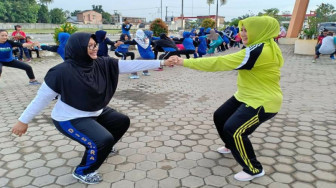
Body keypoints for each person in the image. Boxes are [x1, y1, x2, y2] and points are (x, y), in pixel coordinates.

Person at [11, 32, 174, 185]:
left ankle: (104, 150)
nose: (95, 48)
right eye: (90, 46)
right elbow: (40, 99)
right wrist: (23, 121)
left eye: (95, 45)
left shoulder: (102, 63)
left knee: (121, 121)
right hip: (69, 118)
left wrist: (162, 62)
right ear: (78, 48)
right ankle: (83, 171)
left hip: (95, 111)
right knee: (102, 140)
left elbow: (131, 64)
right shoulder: (61, 72)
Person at [172, 16, 283, 181]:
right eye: (242, 29)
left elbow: (219, 62)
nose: (242, 34)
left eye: (247, 30)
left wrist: (184, 62)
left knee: (235, 130)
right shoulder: (264, 45)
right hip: (246, 96)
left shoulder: (259, 50)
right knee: (220, 117)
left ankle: (254, 169)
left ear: (259, 31)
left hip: (263, 101)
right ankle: (232, 146)